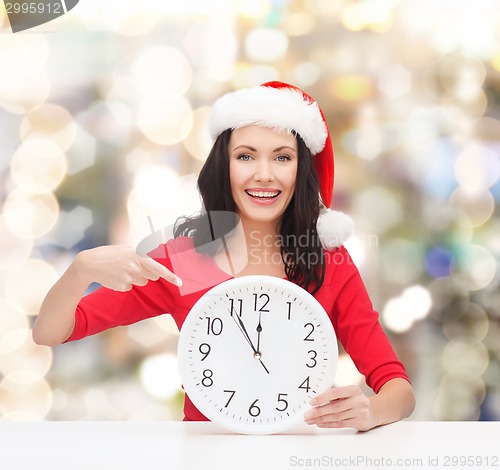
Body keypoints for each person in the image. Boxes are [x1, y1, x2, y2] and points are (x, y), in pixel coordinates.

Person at [33, 81, 415, 431]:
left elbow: (397, 387)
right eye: (246, 157)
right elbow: (50, 331)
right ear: (224, 167)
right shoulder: (186, 263)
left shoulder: (328, 262)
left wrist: (371, 411)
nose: (264, 174)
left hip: (300, 453)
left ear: (302, 170)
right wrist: (81, 270)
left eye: (282, 158)